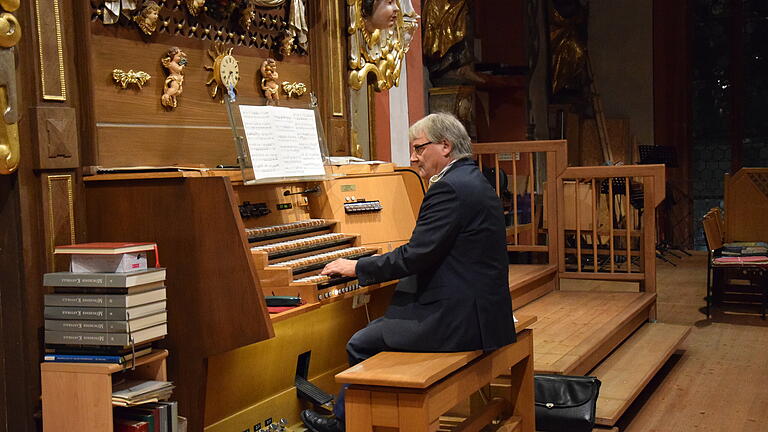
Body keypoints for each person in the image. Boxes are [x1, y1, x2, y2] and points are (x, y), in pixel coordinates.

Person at [300, 113, 517, 432]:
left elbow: (415, 255)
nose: (412, 158)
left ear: (445, 146)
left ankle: (350, 424)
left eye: (418, 148)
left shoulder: (449, 188)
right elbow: (427, 249)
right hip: (483, 310)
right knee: (393, 310)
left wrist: (357, 266)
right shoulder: (472, 179)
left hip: (461, 320)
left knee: (361, 342)